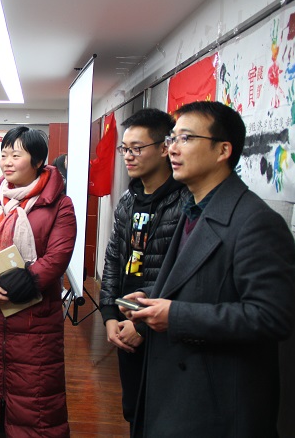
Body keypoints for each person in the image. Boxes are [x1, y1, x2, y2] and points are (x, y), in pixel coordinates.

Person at [123, 101, 295, 437]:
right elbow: (197, 283)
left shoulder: (256, 222)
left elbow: (271, 317)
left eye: (186, 138)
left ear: (222, 150)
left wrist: (175, 316)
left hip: (215, 406)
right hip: (178, 393)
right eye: (172, 138)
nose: (173, 149)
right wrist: (152, 297)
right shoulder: (195, 209)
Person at [0, 126, 77, 438]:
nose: (7, 162)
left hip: (35, 318)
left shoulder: (60, 205)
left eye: (16, 155)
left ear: (37, 161)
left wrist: (24, 282)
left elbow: (58, 256)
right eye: (4, 155)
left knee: (32, 399)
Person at [98, 108, 188, 429]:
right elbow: (113, 259)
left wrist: (143, 327)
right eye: (124, 148)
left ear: (165, 148)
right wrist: (109, 315)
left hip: (161, 326)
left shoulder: (185, 202)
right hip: (126, 318)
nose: (128, 156)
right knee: (133, 409)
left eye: (137, 148)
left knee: (162, 415)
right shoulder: (128, 199)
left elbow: (183, 275)